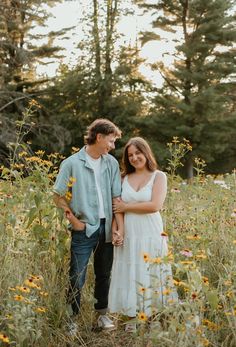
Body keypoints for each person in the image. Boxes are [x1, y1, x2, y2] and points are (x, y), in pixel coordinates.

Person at [53, 119, 124, 333]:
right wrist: (75, 222)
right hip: (83, 228)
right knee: (76, 276)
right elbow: (58, 196)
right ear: (99, 137)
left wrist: (116, 227)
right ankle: (71, 320)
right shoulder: (72, 163)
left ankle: (102, 316)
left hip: (106, 227)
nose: (112, 146)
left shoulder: (110, 163)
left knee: (104, 274)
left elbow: (116, 198)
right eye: (110, 141)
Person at [109, 137, 178, 332]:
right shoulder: (123, 178)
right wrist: (118, 230)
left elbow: (155, 205)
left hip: (151, 231)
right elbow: (117, 208)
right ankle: (132, 315)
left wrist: (127, 206)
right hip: (130, 231)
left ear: (146, 153)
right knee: (130, 270)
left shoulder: (159, 176)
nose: (134, 158)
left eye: (138, 153)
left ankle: (153, 315)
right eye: (130, 155)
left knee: (152, 270)